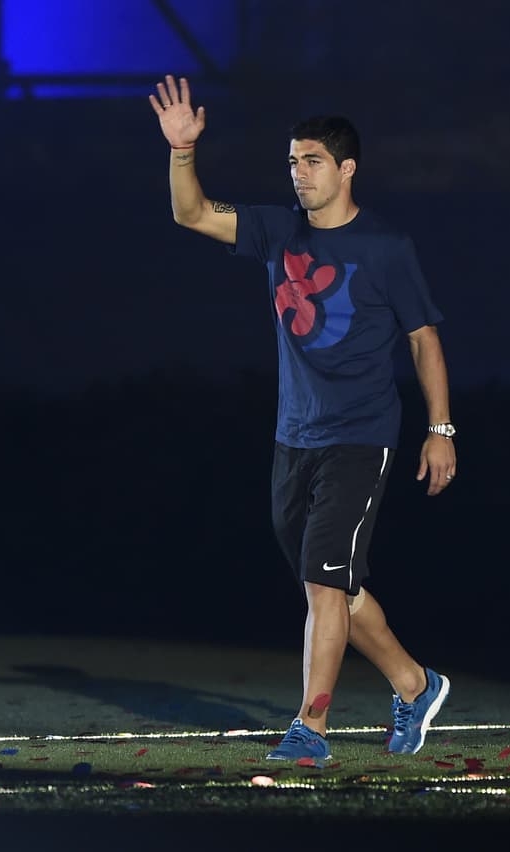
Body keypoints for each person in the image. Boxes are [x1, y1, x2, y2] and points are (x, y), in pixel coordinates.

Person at [150, 74, 456, 763]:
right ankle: (415, 684)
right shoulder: (275, 230)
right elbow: (192, 214)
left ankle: (309, 729)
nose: (298, 174)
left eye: (312, 161)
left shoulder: (385, 247)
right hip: (295, 439)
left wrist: (441, 430)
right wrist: (181, 152)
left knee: (324, 582)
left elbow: (423, 338)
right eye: (292, 161)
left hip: (360, 437)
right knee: (336, 589)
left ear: (347, 168)